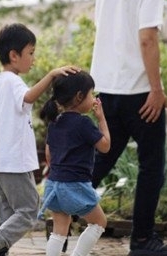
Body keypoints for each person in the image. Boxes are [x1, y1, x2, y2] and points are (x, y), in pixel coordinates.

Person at [89, 0, 167, 256]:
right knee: (151, 165)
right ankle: (142, 241)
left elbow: (107, 31)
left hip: (105, 89)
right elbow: (147, 38)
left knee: (100, 160)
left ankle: (58, 212)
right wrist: (156, 89)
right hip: (138, 93)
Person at [0, 23, 79, 256]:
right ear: (14, 55)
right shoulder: (13, 82)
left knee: (8, 217)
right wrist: (51, 75)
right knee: (29, 210)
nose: (33, 59)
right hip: (13, 161)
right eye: (30, 53)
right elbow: (29, 96)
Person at [37, 71, 111, 256]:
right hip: (75, 186)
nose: (93, 98)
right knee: (99, 222)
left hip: (54, 184)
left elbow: (49, 154)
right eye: (91, 94)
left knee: (59, 230)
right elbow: (105, 146)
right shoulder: (84, 123)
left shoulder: (54, 122)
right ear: (79, 96)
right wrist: (101, 119)